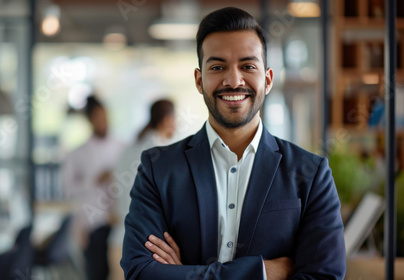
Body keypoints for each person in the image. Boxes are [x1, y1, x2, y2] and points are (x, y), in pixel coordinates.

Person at [121, 7, 346, 280]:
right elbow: (140, 272)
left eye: (248, 66)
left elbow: (324, 276)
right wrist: (262, 271)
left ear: (268, 79)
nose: (233, 80)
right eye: (218, 67)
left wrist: (183, 275)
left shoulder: (311, 173)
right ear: (199, 80)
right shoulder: (158, 169)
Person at [108, 99, 176, 280]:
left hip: (117, 240)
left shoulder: (130, 148)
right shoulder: (162, 152)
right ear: (167, 120)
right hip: (147, 249)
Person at [61, 95, 125, 280]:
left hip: (119, 224)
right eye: (98, 117)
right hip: (93, 225)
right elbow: (67, 189)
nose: (103, 122)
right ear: (90, 120)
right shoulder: (78, 153)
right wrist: (93, 181)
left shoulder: (123, 148)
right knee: (96, 274)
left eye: (105, 116)